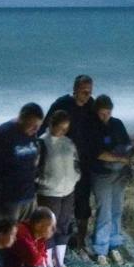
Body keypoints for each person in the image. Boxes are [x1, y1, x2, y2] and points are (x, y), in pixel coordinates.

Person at [48, 75, 101, 257]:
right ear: (75, 89)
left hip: (83, 164)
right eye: (84, 91)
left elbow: (99, 128)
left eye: (90, 92)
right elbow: (47, 130)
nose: (87, 95)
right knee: (61, 205)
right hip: (62, 165)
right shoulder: (62, 105)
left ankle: (80, 242)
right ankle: (55, 244)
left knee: (83, 204)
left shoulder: (91, 107)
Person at [89, 94, 134, 264]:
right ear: (96, 112)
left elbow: (128, 144)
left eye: (108, 113)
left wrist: (128, 154)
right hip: (101, 175)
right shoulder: (92, 127)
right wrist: (120, 158)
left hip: (119, 175)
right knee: (104, 211)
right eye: (102, 114)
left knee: (117, 209)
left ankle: (114, 245)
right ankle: (100, 248)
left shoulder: (117, 124)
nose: (105, 117)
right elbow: (98, 153)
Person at [35, 110, 81, 267]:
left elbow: (76, 162)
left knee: (63, 225)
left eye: (66, 129)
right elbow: (34, 169)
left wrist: (75, 177)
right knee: (48, 228)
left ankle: (59, 262)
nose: (63, 131)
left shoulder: (68, 143)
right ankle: (47, 264)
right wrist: (44, 182)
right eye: (60, 128)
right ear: (51, 125)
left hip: (68, 191)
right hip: (49, 193)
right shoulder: (42, 143)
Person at [0, 102, 45, 223]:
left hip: (29, 196)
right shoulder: (3, 134)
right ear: (22, 118)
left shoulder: (32, 134)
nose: (36, 130)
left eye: (38, 126)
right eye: (33, 125)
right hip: (9, 200)